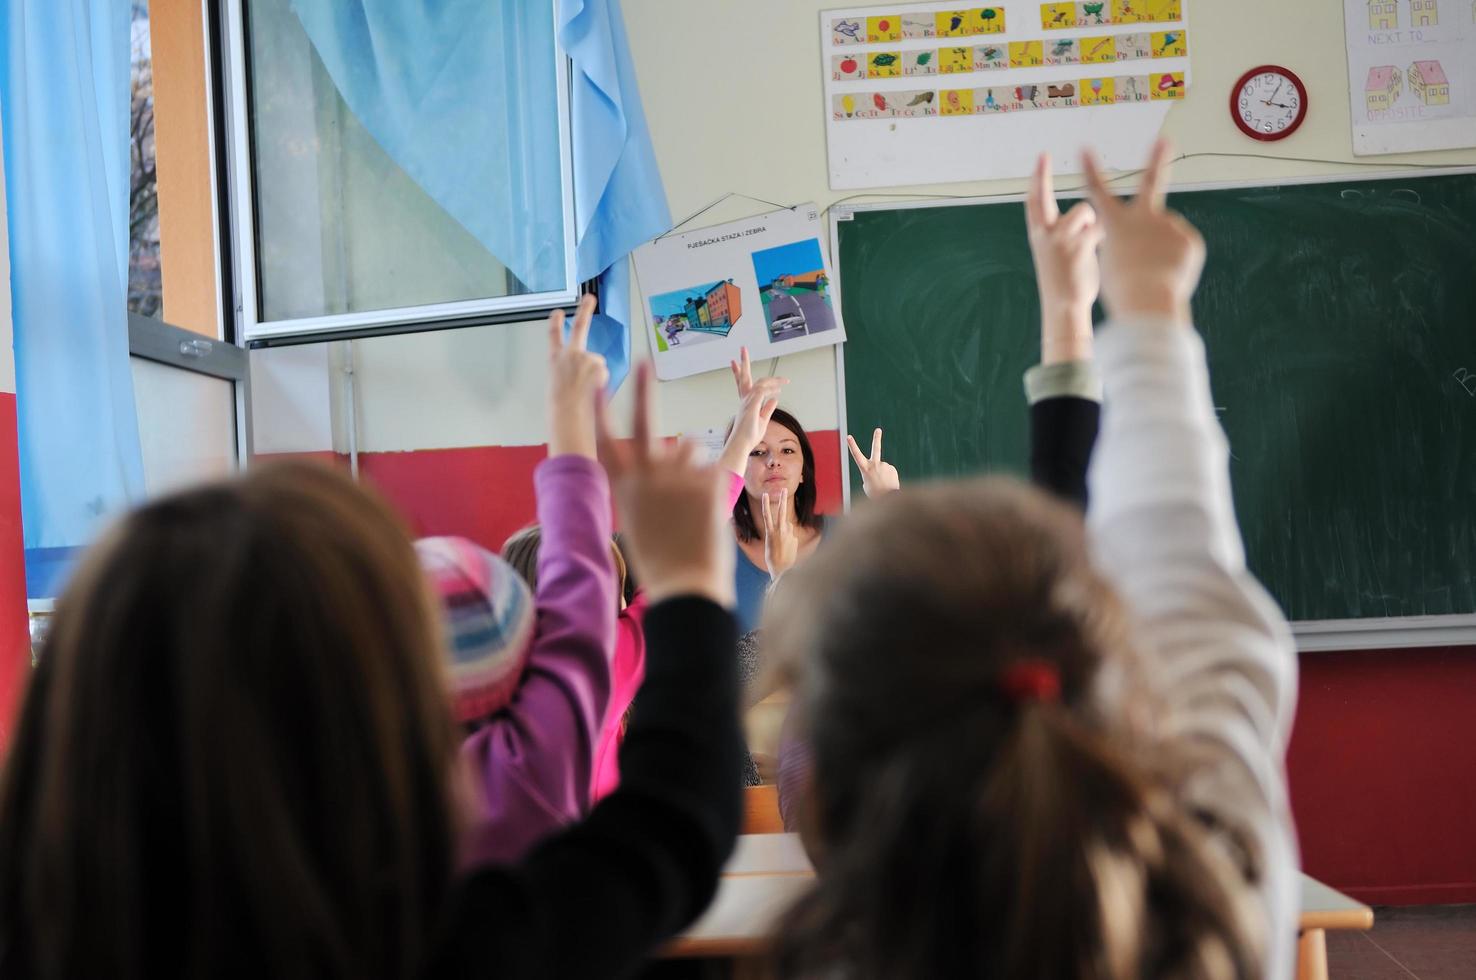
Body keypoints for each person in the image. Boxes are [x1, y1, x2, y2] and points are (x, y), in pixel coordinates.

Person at [0, 359, 745, 980]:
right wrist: (687, 577)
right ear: (372, 706)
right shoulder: (459, 943)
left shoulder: (50, 931)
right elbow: (678, 818)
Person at [766, 143, 1300, 979]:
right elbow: (1175, 562)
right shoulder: (1209, 885)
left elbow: (1160, 575)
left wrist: (1106, 314)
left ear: (828, 776)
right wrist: (1128, 309)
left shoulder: (844, 954)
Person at [417, 294, 622, 866]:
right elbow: (581, 579)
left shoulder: (339, 788)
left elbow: (579, 585)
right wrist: (570, 410)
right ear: (530, 650)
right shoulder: (534, 773)